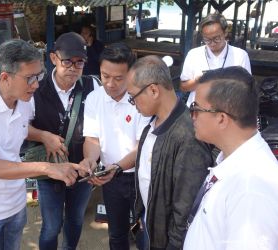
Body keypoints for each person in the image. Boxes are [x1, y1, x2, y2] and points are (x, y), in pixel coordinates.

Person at [0, 39, 85, 250]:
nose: (37, 84)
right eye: (30, 78)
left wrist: (43, 135)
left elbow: (21, 128)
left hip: (14, 205)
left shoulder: (25, 100)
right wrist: (48, 168)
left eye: (39, 75)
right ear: (5, 77)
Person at [184, 66, 278, 249]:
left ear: (221, 118)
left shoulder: (252, 189)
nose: (192, 116)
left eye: (195, 108)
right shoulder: (231, 160)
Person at [126, 55, 213, 250]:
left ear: (153, 90)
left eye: (133, 96)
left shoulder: (189, 137)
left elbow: (185, 210)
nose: (133, 102)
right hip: (150, 228)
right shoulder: (152, 123)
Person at [28, 32, 99, 250]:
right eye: (67, 61)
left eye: (79, 62)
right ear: (53, 59)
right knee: (51, 225)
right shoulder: (35, 89)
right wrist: (43, 136)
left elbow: (95, 132)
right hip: (49, 169)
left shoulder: (92, 86)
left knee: (75, 220)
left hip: (81, 169)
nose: (73, 67)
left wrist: (90, 159)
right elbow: (20, 127)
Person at [80, 42, 149, 250]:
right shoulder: (94, 98)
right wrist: (90, 160)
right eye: (105, 76)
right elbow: (92, 140)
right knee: (116, 233)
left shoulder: (142, 99)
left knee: (145, 232)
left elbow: (142, 146)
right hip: (111, 178)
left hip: (141, 175)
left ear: (131, 74)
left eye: (118, 78)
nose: (110, 83)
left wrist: (117, 167)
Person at [180, 13, 251, 107]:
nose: (212, 43)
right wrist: (198, 81)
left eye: (216, 38)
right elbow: (183, 87)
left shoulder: (240, 55)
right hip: (198, 111)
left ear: (225, 32)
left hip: (228, 111)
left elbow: (248, 88)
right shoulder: (194, 54)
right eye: (207, 39)